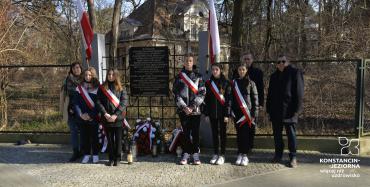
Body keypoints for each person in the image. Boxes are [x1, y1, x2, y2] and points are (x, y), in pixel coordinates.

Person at [266, 55, 304, 168]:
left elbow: (299, 93)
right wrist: (268, 109)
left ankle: (293, 157)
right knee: (277, 135)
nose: (281, 63)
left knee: (291, 135)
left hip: (290, 111)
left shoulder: (295, 73)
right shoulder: (273, 76)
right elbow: (270, 94)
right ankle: (278, 155)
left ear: (288, 62)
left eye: (283, 61)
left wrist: (297, 110)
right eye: (278, 62)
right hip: (276, 111)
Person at [172, 54, 206, 165]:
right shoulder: (179, 77)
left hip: (195, 110)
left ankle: (195, 154)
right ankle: (186, 153)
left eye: (190, 61)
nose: (188, 63)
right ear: (184, 63)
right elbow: (175, 94)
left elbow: (202, 93)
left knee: (195, 133)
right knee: (186, 133)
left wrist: (192, 106)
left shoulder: (199, 76)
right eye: (186, 61)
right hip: (183, 110)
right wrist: (184, 107)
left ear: (193, 62)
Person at [96, 68, 128, 167]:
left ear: (116, 76)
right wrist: (105, 113)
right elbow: (98, 101)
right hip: (106, 117)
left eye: (113, 74)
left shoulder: (121, 88)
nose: (110, 76)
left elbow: (124, 102)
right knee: (109, 139)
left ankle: (117, 158)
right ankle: (111, 158)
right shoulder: (102, 88)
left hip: (117, 118)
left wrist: (115, 115)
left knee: (118, 139)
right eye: (109, 74)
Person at [230, 63, 258, 166]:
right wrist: (231, 111)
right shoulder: (234, 83)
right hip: (237, 112)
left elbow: (255, 99)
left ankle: (245, 155)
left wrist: (254, 113)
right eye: (240, 69)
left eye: (243, 69)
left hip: (247, 113)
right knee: (239, 134)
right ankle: (240, 153)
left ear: (246, 71)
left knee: (246, 134)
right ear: (237, 71)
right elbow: (231, 98)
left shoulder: (251, 83)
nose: (241, 71)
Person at [204, 63, 231, 165]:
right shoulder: (208, 83)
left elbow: (228, 100)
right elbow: (206, 100)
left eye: (217, 69)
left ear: (220, 70)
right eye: (213, 69)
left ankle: (222, 155)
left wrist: (227, 115)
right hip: (212, 113)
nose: (214, 71)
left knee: (223, 134)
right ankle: (215, 153)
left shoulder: (226, 82)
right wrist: (206, 113)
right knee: (214, 134)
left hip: (223, 113)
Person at [72, 67, 100, 164]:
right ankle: (87, 154)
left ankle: (95, 154)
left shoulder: (97, 87)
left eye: (89, 75)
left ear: (93, 76)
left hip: (93, 117)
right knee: (84, 137)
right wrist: (80, 114)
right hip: (82, 117)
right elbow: (75, 103)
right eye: (86, 75)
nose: (87, 77)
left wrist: (91, 115)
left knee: (94, 136)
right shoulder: (79, 88)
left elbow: (99, 104)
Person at [241, 53, 264, 154]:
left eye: (248, 59)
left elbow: (260, 89)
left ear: (252, 60)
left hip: (253, 103)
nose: (247, 61)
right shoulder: (237, 71)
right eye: (245, 59)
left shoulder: (258, 72)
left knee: (252, 126)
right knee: (241, 126)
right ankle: (242, 147)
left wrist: (261, 103)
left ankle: (250, 146)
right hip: (241, 103)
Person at [60, 62, 83, 162]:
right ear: (71, 69)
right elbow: (62, 95)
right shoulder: (67, 80)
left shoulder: (85, 79)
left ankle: (83, 150)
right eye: (74, 68)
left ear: (81, 69)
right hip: (70, 109)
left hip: (83, 109)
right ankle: (75, 152)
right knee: (73, 131)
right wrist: (62, 109)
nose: (76, 69)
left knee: (83, 131)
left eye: (78, 67)